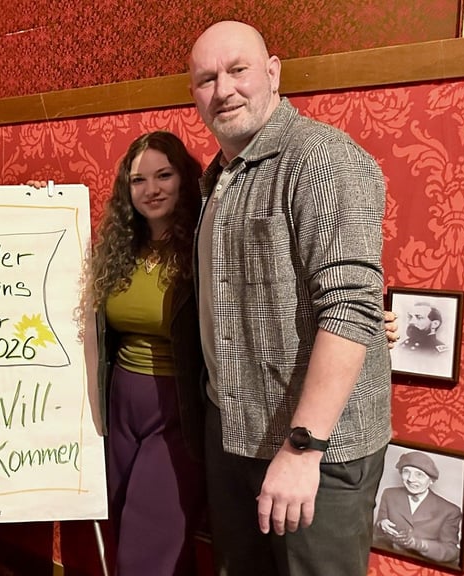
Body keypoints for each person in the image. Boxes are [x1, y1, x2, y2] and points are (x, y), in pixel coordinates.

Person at [189, 21, 391, 576]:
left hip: (316, 454)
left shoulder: (319, 158)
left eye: (237, 70)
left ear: (273, 73)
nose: (223, 89)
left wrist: (303, 448)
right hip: (235, 437)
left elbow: (350, 307)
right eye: (207, 78)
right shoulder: (218, 178)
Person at [74, 131, 205, 575]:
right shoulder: (118, 251)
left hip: (177, 413)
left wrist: (361, 321)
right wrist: (48, 210)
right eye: (138, 180)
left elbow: (258, 302)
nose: (151, 190)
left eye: (163, 175)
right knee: (133, 537)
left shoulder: (204, 247)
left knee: (145, 549)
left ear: (183, 178)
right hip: (117, 409)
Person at [374, 451, 462, 567]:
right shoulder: (389, 494)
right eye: (406, 472)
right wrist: (381, 524)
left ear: (431, 480)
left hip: (426, 566)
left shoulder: (450, 510)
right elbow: (375, 535)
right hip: (390, 561)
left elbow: (451, 552)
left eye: (419, 474)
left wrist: (418, 544)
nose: (411, 479)